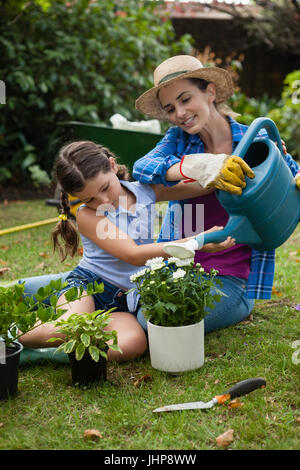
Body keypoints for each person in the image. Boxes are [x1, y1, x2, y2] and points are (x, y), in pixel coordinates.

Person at [19, 140, 237, 361]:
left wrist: (222, 171)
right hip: (88, 287)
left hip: (125, 301)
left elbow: (201, 186)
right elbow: (133, 255)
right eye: (89, 199)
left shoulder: (146, 190)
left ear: (112, 165)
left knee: (132, 345)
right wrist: (196, 242)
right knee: (68, 329)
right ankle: (11, 338)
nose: (104, 200)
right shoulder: (88, 216)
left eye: (105, 188)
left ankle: (45, 353)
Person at [133, 54, 300, 333]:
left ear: (210, 92)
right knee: (147, 316)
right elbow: (143, 167)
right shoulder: (177, 140)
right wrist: (196, 166)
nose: (180, 113)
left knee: (165, 323)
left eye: (186, 99)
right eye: (170, 108)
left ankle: (240, 304)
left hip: (230, 277)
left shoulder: (257, 141)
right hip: (180, 266)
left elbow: (293, 178)